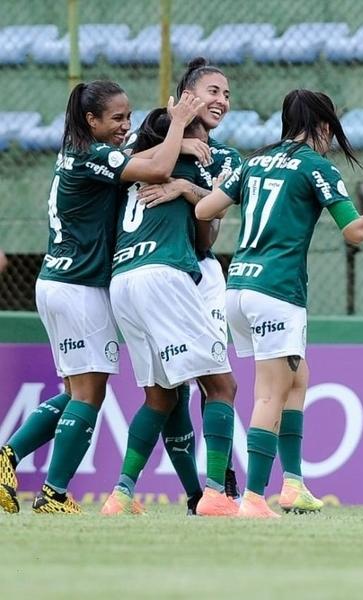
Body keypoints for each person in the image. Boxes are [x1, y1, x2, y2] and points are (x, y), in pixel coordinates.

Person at [0, 80, 203, 514]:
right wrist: (180, 128)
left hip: (56, 283)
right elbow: (154, 168)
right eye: (116, 118)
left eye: (129, 117)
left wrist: (178, 143)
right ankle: (53, 494)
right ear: (91, 120)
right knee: (89, 395)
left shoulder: (80, 152)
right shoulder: (92, 155)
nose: (125, 125)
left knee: (76, 391)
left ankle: (7, 457)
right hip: (79, 289)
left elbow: (135, 156)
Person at [195, 88, 363, 518]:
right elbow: (355, 232)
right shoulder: (316, 167)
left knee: (298, 378)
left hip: (238, 289)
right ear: (324, 126)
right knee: (270, 392)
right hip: (277, 291)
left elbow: (205, 209)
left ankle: (293, 485)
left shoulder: (255, 161)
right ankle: (253, 498)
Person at [101, 103, 238, 519]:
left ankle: (120, 494)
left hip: (122, 280)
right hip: (164, 276)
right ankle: (216, 493)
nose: (204, 145)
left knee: (160, 396)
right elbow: (209, 222)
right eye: (197, 136)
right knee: (222, 386)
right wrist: (188, 186)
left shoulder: (132, 169)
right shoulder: (183, 163)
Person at [133, 58, 243, 512]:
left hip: (202, 274)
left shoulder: (228, 158)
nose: (222, 101)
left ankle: (212, 484)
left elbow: (210, 230)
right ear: (186, 97)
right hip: (162, 275)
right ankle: (204, 492)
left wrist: (186, 189)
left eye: (228, 95)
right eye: (214, 91)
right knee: (170, 390)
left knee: (210, 381)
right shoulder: (152, 145)